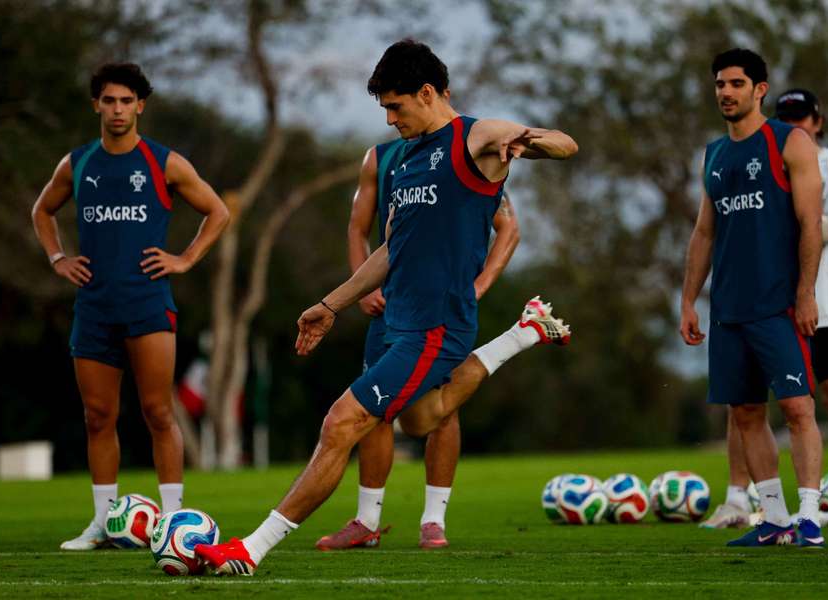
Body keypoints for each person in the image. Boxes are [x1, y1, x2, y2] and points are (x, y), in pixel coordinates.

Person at [196, 38, 577, 575]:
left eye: (396, 106)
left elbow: (566, 144)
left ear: (427, 93)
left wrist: (529, 140)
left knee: (341, 422)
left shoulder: (476, 138)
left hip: (436, 326)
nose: (390, 119)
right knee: (420, 420)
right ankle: (523, 334)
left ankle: (250, 550)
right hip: (399, 321)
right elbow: (390, 251)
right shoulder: (408, 158)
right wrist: (330, 305)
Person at [31, 63, 230, 550]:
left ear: (140, 105)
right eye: (109, 100)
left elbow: (218, 211)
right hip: (94, 308)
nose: (117, 109)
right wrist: (58, 258)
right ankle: (102, 523)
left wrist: (185, 258)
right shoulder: (77, 164)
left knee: (158, 412)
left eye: (126, 101)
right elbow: (42, 210)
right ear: (96, 105)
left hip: (147, 305)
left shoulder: (164, 162)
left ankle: (173, 521)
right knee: (97, 416)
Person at [316, 134, 519, 550]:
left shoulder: (465, 154)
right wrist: (362, 289)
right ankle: (366, 522)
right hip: (390, 308)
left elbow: (509, 228)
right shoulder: (379, 158)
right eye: (388, 106)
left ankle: (433, 520)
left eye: (397, 104)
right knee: (373, 407)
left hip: (440, 310)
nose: (392, 116)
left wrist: (479, 286)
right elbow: (358, 229)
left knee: (441, 409)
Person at [700, 88, 828, 529]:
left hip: (824, 302)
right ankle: (738, 498)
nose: (794, 124)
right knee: (744, 402)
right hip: (767, 303)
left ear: (818, 122)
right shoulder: (763, 157)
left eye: (802, 116)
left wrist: (774, 219)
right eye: (786, 116)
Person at [679, 49, 825, 547]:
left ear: (760, 90)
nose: (726, 92)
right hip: (728, 308)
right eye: (720, 84)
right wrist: (689, 301)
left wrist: (806, 293)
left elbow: (810, 223)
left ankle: (810, 518)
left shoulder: (790, 142)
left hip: (778, 304)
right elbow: (704, 232)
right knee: (744, 414)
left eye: (736, 83)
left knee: (798, 408)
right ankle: (775, 519)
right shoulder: (714, 154)